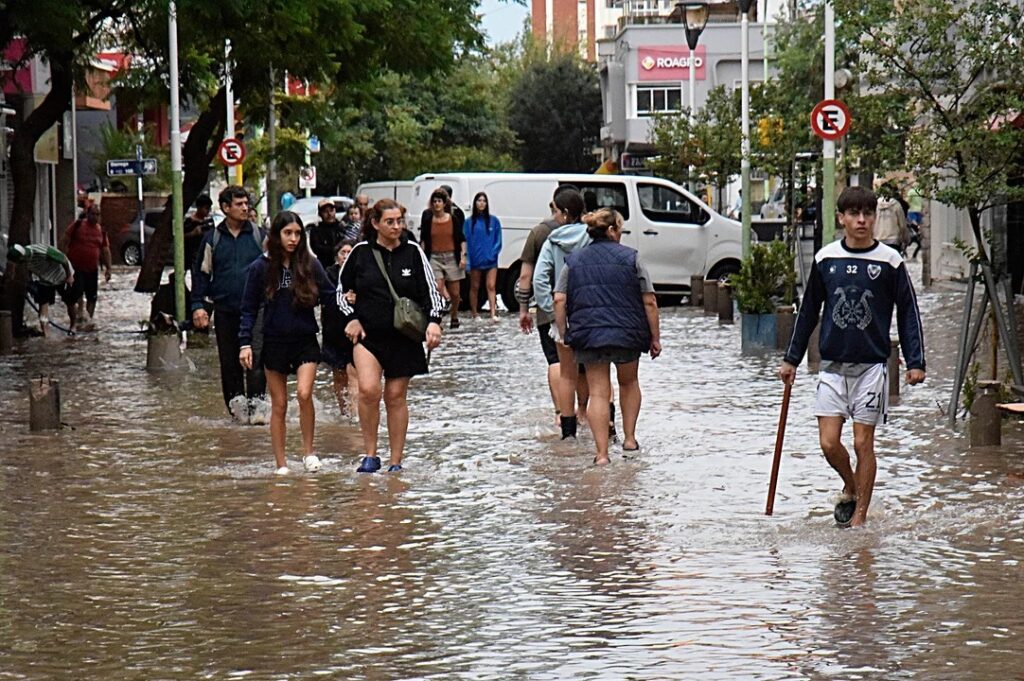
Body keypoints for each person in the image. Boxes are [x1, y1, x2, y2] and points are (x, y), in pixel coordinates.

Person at [779, 185, 926, 528]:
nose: (862, 221)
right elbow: (808, 311)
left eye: (868, 214)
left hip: (873, 367)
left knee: (863, 442)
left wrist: (915, 361)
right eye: (855, 215)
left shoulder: (890, 261)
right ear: (842, 218)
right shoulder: (826, 259)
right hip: (831, 366)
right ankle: (850, 483)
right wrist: (791, 359)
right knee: (829, 443)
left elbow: (908, 312)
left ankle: (859, 521)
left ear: (875, 217)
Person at [338, 199, 443, 473]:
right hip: (369, 335)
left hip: (404, 336)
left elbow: (431, 293)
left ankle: (396, 461)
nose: (396, 227)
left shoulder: (413, 253)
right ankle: (370, 454)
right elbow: (340, 291)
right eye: (390, 222)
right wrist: (351, 318)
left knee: (396, 396)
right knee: (369, 389)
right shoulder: (360, 253)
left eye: (399, 221)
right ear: (375, 224)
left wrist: (434, 323)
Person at [553, 208, 662, 464]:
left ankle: (601, 455)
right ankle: (630, 439)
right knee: (628, 382)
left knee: (598, 392)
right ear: (612, 230)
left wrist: (565, 332)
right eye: (620, 229)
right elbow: (650, 301)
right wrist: (655, 337)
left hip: (589, 334)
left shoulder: (574, 261)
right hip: (627, 332)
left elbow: (559, 299)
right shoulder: (632, 258)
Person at [239, 211, 335, 475]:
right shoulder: (260, 267)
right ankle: (281, 463)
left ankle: (308, 453)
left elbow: (330, 295)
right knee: (279, 404)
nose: (293, 239)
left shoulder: (309, 264)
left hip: (305, 339)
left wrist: (349, 305)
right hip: (274, 341)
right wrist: (244, 343)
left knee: (304, 394)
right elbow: (248, 308)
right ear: (277, 235)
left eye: (297, 234)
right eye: (287, 233)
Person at [191, 185, 268, 422]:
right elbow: (201, 274)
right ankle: (237, 416)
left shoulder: (260, 236)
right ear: (225, 208)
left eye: (247, 203)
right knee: (230, 364)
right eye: (239, 204)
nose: (245, 208)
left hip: (257, 310)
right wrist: (198, 305)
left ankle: (257, 415)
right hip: (225, 310)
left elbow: (279, 269)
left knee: (256, 362)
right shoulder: (212, 239)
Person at [533, 188, 591, 440]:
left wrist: (551, 308)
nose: (553, 215)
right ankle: (598, 420)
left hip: (563, 314)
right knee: (596, 372)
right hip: (592, 313)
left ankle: (568, 433)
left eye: (555, 210)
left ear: (565, 213)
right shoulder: (593, 237)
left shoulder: (552, 241)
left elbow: (538, 280)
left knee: (567, 374)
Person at [516, 191, 572, 422]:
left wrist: (523, 309)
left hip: (547, 307)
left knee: (555, 360)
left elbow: (526, 276)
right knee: (587, 367)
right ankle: (589, 415)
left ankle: (561, 413)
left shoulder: (539, 233)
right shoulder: (588, 231)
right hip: (581, 306)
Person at [322, 239, 360, 416]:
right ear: (337, 256)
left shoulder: (360, 274)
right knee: (338, 374)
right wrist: (341, 298)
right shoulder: (328, 274)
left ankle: (354, 415)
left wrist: (357, 298)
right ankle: (344, 411)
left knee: (354, 372)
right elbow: (324, 297)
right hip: (333, 330)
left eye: (349, 252)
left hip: (355, 329)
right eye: (343, 252)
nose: (346, 256)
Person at [419, 188, 466, 328]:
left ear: (444, 203)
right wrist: (422, 256)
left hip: (452, 256)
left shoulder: (453, 218)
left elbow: (461, 239)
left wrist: (463, 256)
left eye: (439, 201)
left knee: (455, 293)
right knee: (437, 287)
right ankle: (437, 317)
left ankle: (454, 315)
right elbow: (424, 240)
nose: (437, 204)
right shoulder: (428, 219)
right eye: (434, 201)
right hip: (434, 257)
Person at [59, 202, 112, 328]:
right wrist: (61, 260)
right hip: (76, 268)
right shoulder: (78, 225)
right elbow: (64, 240)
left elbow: (105, 250)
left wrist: (108, 268)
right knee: (77, 292)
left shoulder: (101, 232)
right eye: (93, 214)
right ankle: (77, 317)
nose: (95, 217)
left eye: (97, 214)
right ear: (87, 214)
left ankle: (88, 321)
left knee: (92, 296)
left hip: (92, 269)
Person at [6, 244, 75, 336]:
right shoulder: (23, 260)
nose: (18, 264)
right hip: (45, 280)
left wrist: (69, 276)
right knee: (43, 306)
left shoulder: (41, 252)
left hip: (62, 275)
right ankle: (46, 334)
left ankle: (73, 326)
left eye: (18, 262)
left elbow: (63, 259)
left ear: (22, 257)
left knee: (70, 302)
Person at [464, 191, 502, 321]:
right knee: (474, 286)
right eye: (479, 200)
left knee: (491, 286)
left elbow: (498, 240)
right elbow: (466, 241)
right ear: (475, 203)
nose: (481, 203)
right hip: (475, 260)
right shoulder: (469, 222)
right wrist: (468, 259)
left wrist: (493, 253)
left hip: (491, 260)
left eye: (484, 201)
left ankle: (493, 312)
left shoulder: (494, 221)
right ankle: (474, 313)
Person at [309, 199, 346, 270]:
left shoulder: (342, 228)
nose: (329, 214)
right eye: (325, 211)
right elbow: (317, 249)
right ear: (320, 214)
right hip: (324, 267)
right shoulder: (316, 231)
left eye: (331, 210)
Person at [184, 194, 215, 268]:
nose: (208, 211)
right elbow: (181, 237)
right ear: (199, 207)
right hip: (192, 255)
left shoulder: (208, 222)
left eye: (209, 208)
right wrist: (193, 233)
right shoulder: (189, 222)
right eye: (206, 208)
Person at [874, 190, 909, 254]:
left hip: (878, 241)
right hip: (893, 241)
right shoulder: (896, 205)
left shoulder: (875, 205)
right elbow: (902, 225)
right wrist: (905, 239)